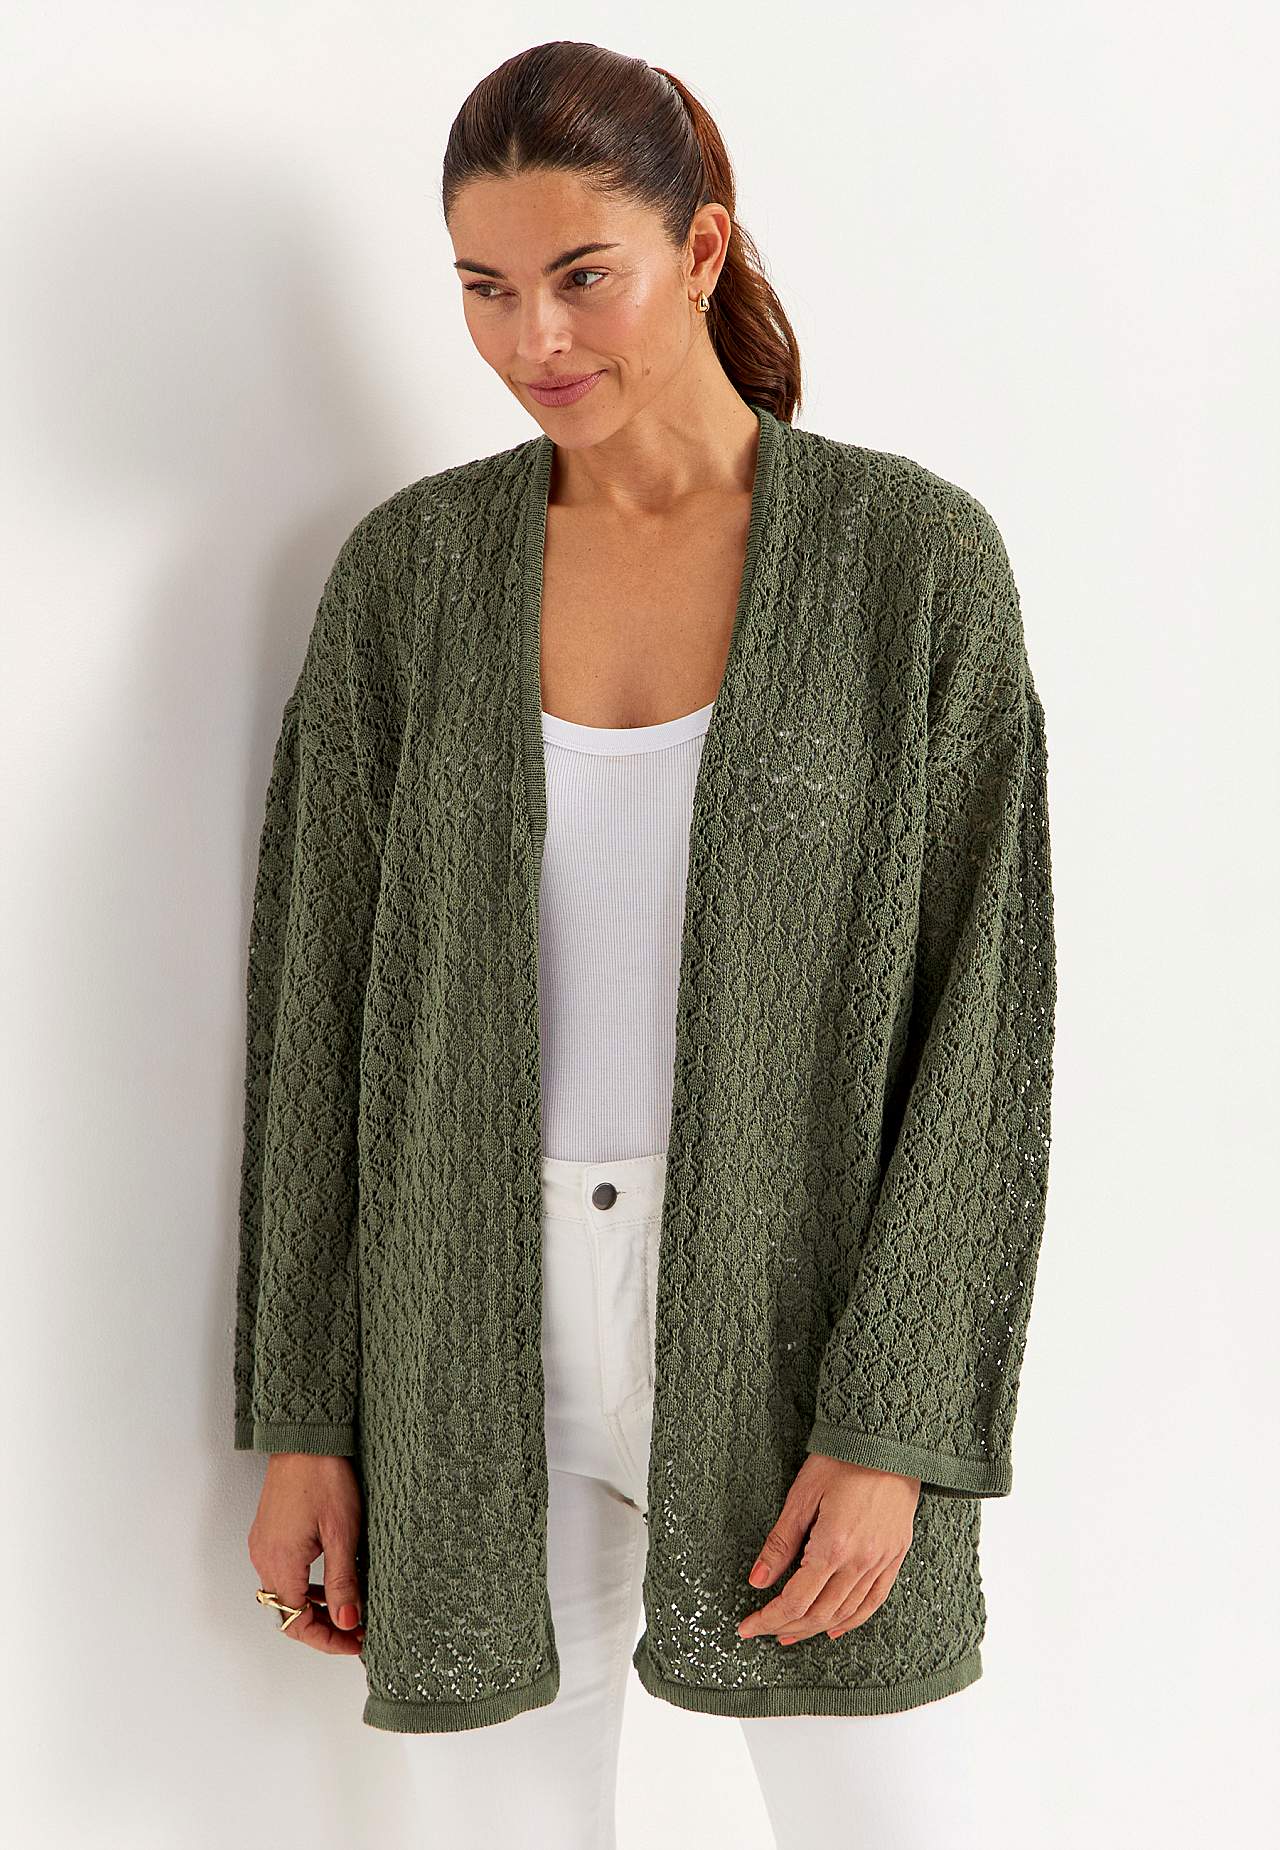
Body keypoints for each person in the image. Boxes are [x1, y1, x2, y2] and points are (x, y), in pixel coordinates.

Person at [234, 38, 1057, 1850]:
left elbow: (985, 1029)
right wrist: (306, 1411)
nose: (534, 338)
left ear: (701, 249)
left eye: (580, 275)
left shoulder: (910, 565)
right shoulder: (408, 579)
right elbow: (316, 1018)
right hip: (465, 1320)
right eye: (484, 288)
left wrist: (897, 1422)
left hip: (793, 1309)